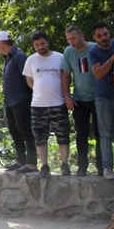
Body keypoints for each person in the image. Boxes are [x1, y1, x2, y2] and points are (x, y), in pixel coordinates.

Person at [22, 30, 73, 178]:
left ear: (47, 42)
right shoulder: (31, 60)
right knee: (39, 137)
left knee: (63, 134)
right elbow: (29, 80)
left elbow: (66, 77)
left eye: (42, 43)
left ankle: (64, 164)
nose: (40, 47)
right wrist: (38, 89)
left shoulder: (60, 57)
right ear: (34, 46)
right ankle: (44, 165)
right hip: (38, 105)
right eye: (37, 45)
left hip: (58, 103)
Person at [60, 25, 102, 177]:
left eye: (74, 38)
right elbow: (65, 75)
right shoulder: (68, 52)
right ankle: (82, 167)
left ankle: (102, 167)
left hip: (98, 98)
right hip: (79, 99)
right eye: (69, 39)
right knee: (81, 134)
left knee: (100, 133)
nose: (72, 42)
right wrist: (67, 96)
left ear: (81, 35)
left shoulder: (95, 48)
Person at [0, 31, 38, 173]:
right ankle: (21, 160)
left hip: (21, 100)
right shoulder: (7, 57)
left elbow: (29, 77)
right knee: (14, 131)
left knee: (25, 131)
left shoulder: (19, 56)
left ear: (1, 43)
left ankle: (31, 163)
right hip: (10, 102)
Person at [88, 23, 114, 179]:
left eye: (105, 34)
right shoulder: (93, 52)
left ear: (109, 33)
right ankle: (107, 167)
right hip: (103, 98)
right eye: (99, 36)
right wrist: (113, 58)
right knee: (105, 135)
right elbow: (99, 74)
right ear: (94, 38)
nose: (103, 38)